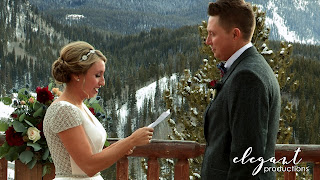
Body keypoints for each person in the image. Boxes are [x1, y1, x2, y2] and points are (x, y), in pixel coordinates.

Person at [43, 41, 154, 180]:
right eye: (97, 75)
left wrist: (124, 145)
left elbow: (93, 154)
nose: (103, 82)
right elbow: (89, 166)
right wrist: (131, 140)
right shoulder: (63, 111)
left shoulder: (79, 106)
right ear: (77, 74)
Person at [201, 0, 280, 179]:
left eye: (212, 34)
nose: (207, 41)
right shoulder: (248, 67)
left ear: (235, 34)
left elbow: (247, 161)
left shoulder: (247, 78)